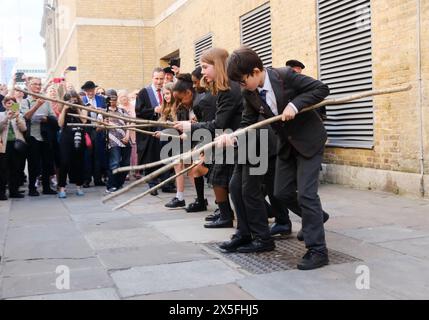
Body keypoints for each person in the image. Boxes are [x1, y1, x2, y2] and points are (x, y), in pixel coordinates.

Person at [224, 46, 330, 270]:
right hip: (286, 145)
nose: (242, 86)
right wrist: (234, 136)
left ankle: (317, 250)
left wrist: (295, 104)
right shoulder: (249, 93)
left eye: (243, 81)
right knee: (281, 192)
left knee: (307, 195)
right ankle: (317, 217)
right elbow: (248, 122)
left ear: (255, 71)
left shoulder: (285, 76)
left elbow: (321, 88)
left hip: (309, 141)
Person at [175, 48, 243, 229]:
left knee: (225, 181)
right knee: (219, 179)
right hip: (227, 139)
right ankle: (226, 215)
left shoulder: (229, 88)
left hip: (235, 141)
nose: (202, 72)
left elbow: (218, 123)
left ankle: (230, 218)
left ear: (218, 65)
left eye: (205, 67)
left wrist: (191, 127)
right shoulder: (224, 87)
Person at [136, 67, 176, 195]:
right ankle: (152, 184)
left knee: (166, 155)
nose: (159, 81)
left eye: (161, 79)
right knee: (151, 157)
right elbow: (139, 111)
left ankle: (167, 184)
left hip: (166, 129)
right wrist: (154, 110)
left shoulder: (167, 91)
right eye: (157, 78)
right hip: (151, 130)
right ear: (152, 78)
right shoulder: (144, 93)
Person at [22, 77, 58, 197]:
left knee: (47, 163)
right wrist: (36, 106)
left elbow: (54, 118)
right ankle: (32, 188)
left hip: (45, 136)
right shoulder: (25, 101)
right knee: (33, 164)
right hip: (32, 136)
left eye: (39, 84)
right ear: (29, 86)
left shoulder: (46, 100)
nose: (38, 86)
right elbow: (25, 117)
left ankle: (47, 187)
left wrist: (46, 118)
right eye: (35, 84)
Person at [57, 91, 88, 198]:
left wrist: (77, 108)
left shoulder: (82, 108)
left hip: (79, 136)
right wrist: (65, 109)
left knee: (79, 162)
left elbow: (84, 121)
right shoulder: (63, 109)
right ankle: (62, 187)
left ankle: (79, 186)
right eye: (70, 100)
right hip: (66, 138)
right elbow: (60, 124)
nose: (72, 102)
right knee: (64, 162)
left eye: (74, 99)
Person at [100, 94, 131, 193]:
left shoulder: (122, 111)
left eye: (114, 99)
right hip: (112, 141)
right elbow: (97, 127)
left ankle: (119, 184)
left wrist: (127, 136)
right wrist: (104, 123)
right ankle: (111, 185)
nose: (113, 101)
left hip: (125, 140)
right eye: (110, 99)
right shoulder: (103, 112)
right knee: (115, 163)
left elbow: (129, 123)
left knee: (126, 163)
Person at [81, 81, 107, 188]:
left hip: (98, 129)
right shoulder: (82, 100)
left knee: (98, 154)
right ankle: (87, 179)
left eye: (91, 90)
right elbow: (80, 115)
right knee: (87, 155)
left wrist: (101, 124)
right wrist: (87, 109)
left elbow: (105, 113)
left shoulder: (101, 99)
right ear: (85, 91)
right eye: (88, 90)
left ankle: (98, 179)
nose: (90, 92)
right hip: (87, 130)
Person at [0, 96, 27, 200]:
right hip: (3, 145)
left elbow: (23, 128)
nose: (10, 105)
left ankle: (14, 191)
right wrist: (7, 118)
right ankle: (1, 192)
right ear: (4, 104)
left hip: (16, 145)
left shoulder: (19, 115)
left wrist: (17, 118)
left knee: (15, 168)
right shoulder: (1, 115)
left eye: (12, 103)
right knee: (2, 169)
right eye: (8, 103)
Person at [118, 90, 138, 180]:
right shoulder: (119, 108)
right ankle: (126, 173)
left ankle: (136, 171)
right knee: (125, 154)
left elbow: (135, 119)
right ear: (119, 98)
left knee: (135, 153)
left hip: (134, 132)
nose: (124, 98)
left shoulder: (133, 107)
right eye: (122, 97)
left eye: (125, 96)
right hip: (122, 134)